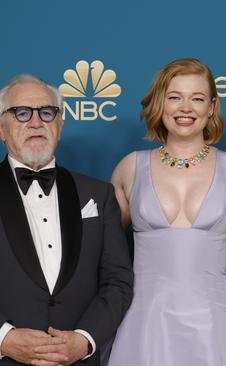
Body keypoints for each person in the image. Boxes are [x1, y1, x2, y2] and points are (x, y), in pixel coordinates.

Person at [108, 58, 226, 366]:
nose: (185, 108)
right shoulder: (129, 168)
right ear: (160, 102)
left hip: (218, 326)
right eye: (175, 97)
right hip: (144, 324)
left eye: (197, 98)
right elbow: (101, 255)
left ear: (212, 107)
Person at [0, 75, 133, 365]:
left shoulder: (100, 194)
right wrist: (4, 338)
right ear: (1, 128)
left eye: (47, 113)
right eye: (21, 113)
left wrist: (85, 339)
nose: (36, 122)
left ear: (60, 125)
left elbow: (117, 281)